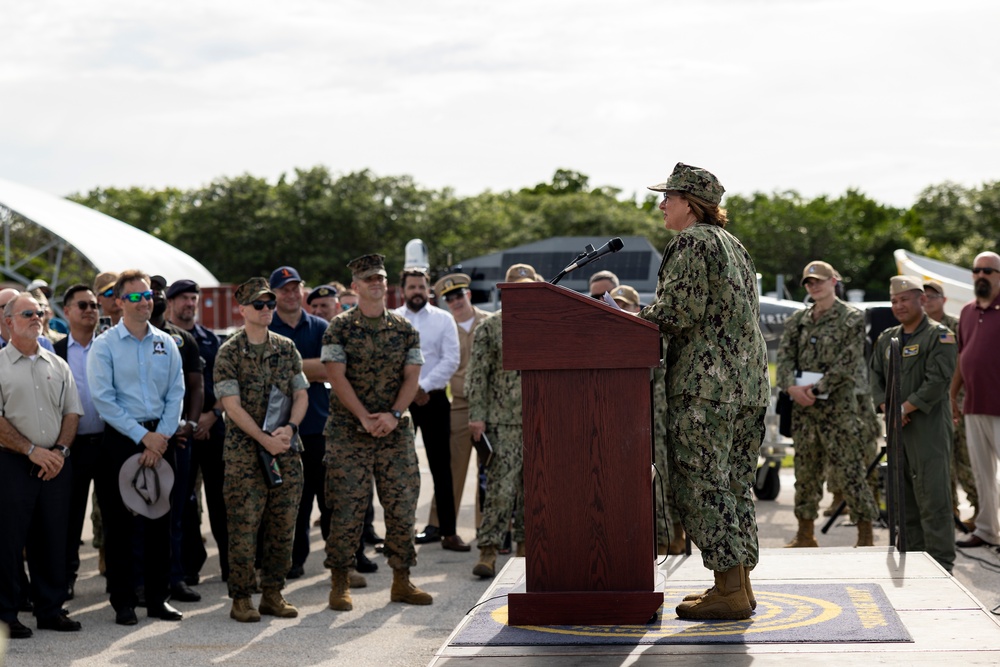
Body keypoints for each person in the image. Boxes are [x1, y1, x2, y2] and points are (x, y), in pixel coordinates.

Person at [638, 163, 769, 621]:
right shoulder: (733, 244)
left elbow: (679, 310)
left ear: (689, 204)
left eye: (668, 198)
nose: (661, 205)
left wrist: (633, 314)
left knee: (701, 484)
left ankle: (729, 588)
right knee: (733, 485)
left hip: (705, 387)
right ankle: (737, 585)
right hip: (746, 387)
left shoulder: (691, 242)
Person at [323, 253, 432, 611]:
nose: (375, 283)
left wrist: (394, 414)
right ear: (354, 286)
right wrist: (365, 417)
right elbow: (335, 376)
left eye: (380, 278)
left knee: (401, 505)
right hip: (348, 431)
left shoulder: (405, 329)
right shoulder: (339, 327)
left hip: (394, 430)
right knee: (347, 508)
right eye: (368, 278)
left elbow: (412, 377)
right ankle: (340, 581)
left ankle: (402, 580)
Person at [86, 269, 185, 626]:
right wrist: (142, 438)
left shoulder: (166, 342)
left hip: (161, 439)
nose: (144, 301)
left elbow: (176, 392)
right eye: (134, 297)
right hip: (121, 441)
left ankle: (159, 599)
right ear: (118, 301)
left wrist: (160, 437)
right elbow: (104, 399)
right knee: (120, 525)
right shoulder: (105, 345)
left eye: (147, 296)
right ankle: (123, 601)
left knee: (160, 522)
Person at [214, 277, 307, 622]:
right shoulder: (229, 352)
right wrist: (263, 439)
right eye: (259, 305)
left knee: (283, 525)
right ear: (242, 310)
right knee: (244, 526)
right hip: (244, 455)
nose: (267, 309)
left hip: (285, 449)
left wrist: (290, 428)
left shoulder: (286, 347)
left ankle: (273, 593)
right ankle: (241, 597)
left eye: (270, 304)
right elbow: (231, 407)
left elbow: (301, 393)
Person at [776, 260, 879, 550]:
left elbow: (848, 360)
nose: (814, 286)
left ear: (834, 281)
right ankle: (805, 534)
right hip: (804, 410)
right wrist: (790, 387)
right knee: (805, 472)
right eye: (809, 282)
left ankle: (865, 535)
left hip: (838, 408)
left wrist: (817, 388)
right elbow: (784, 357)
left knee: (850, 471)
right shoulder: (798, 320)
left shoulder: (851, 318)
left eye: (819, 280)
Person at [0, 292, 84, 638]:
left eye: (39, 313)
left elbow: (72, 411)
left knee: (52, 540)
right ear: (8, 323)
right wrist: (31, 449)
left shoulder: (57, 364)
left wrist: (60, 451)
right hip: (12, 464)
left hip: (54, 464)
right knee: (7, 543)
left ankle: (50, 609)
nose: (37, 318)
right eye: (27, 314)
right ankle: (7, 615)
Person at [870, 276, 957, 571]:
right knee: (902, 495)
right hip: (898, 428)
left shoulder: (939, 335)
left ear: (921, 300)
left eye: (905, 299)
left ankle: (942, 562)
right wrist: (887, 405)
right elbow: (875, 378)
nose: (899, 305)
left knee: (933, 495)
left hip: (928, 426)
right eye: (894, 300)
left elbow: (938, 380)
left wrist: (903, 408)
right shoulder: (887, 338)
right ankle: (916, 557)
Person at [467, 263, 538, 579]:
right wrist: (477, 417)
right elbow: (477, 374)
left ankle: (528, 553)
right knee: (500, 490)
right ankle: (489, 551)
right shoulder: (490, 327)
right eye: (517, 288)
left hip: (540, 420)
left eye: (528, 288)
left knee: (535, 492)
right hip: (502, 421)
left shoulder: (545, 323)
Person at [268, 266, 339, 578]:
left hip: (318, 427)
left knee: (329, 500)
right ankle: (293, 561)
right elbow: (268, 373)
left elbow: (331, 369)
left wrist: (292, 368)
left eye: (295, 287)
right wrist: (311, 368)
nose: (291, 293)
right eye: (284, 289)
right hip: (281, 430)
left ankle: (338, 561)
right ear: (274, 295)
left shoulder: (320, 327)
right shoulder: (267, 326)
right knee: (292, 502)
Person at [395, 269, 466, 551]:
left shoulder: (443, 319)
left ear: (428, 290)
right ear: (403, 290)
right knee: (399, 469)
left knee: (441, 467)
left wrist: (422, 387)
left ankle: (449, 531)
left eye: (421, 287)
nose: (417, 291)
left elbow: (451, 359)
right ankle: (398, 534)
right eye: (412, 287)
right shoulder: (394, 319)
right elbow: (390, 361)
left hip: (434, 399)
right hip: (399, 401)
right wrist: (410, 391)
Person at [613, 284, 685, 553]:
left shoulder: (652, 334)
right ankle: (656, 536)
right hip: (630, 419)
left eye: (625, 306)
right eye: (615, 306)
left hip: (659, 416)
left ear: (638, 309)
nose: (621, 311)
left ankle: (671, 534)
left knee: (665, 476)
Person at [166, 278, 230, 585]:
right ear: (170, 303)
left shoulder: (211, 340)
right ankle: (188, 566)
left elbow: (225, 383)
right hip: (179, 430)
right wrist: (190, 423)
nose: (189, 304)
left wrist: (212, 415)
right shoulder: (164, 339)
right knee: (184, 501)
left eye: (193, 298)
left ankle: (230, 564)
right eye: (183, 299)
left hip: (212, 427)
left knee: (221, 499)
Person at [150, 275, 205, 603]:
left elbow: (195, 386)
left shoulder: (183, 340)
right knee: (141, 510)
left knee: (175, 511)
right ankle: (141, 582)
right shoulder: (123, 339)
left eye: (157, 290)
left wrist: (189, 423)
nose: (153, 296)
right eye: (149, 291)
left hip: (178, 439)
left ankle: (175, 578)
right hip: (139, 437)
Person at [425, 273, 490, 532]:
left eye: (459, 296)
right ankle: (438, 523)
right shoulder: (445, 326)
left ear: (469, 295)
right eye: (449, 298)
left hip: (489, 404)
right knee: (452, 464)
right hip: (460, 403)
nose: (455, 302)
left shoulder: (491, 322)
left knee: (489, 467)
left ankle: (488, 526)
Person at [53, 285, 106, 600]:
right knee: (69, 518)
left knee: (115, 513)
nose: (90, 310)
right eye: (83, 305)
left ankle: (122, 580)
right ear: (67, 312)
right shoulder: (54, 352)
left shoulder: (110, 348)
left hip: (108, 444)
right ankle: (66, 577)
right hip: (70, 447)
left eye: (95, 305)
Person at [952, 251, 1000, 549]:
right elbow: (962, 356)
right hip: (973, 404)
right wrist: (951, 393)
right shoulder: (968, 312)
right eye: (976, 270)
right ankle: (986, 529)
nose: (981, 275)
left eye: (988, 271)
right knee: (981, 472)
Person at [924, 279, 978, 528]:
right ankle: (950, 512)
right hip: (931, 406)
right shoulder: (918, 329)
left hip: (959, 401)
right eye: (923, 297)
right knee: (942, 463)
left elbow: (967, 362)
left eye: (933, 296)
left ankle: (979, 511)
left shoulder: (957, 325)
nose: (928, 301)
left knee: (965, 460)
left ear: (943, 300)